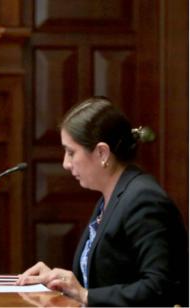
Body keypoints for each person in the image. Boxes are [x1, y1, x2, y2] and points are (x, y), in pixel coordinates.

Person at [16, 97, 188, 306]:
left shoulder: (144, 200)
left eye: (71, 152)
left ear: (102, 152)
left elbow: (159, 287)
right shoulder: (111, 197)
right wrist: (59, 280)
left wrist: (85, 295)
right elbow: (110, 276)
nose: (65, 163)